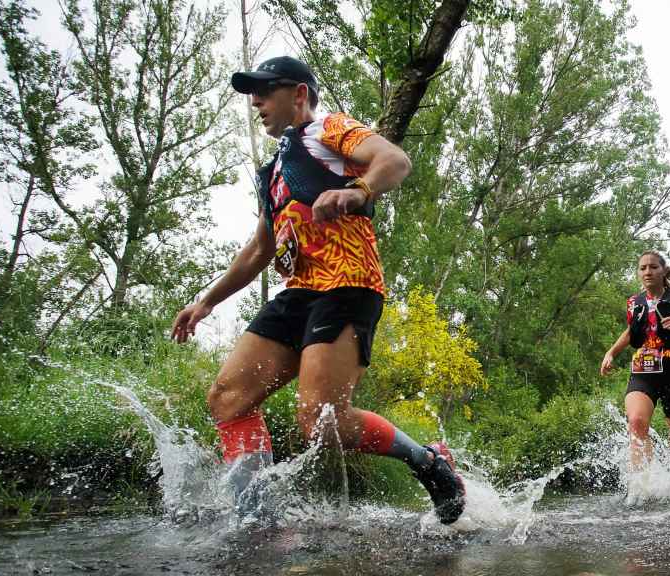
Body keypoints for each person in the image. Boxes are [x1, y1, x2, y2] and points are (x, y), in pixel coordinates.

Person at [170, 56, 465, 524]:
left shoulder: (330, 129)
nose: (256, 102)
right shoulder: (270, 174)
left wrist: (358, 191)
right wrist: (207, 302)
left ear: (299, 94)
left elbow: (395, 160)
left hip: (349, 284)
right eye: (253, 94)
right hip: (299, 292)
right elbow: (260, 248)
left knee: (322, 424)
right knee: (227, 399)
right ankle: (257, 522)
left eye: (265, 91)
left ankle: (428, 459)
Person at [600, 251, 670, 490]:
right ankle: (642, 487)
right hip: (643, 370)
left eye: (653, 267)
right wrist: (611, 352)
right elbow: (631, 332)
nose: (647, 272)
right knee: (636, 422)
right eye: (643, 268)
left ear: (663, 271)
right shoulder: (634, 303)